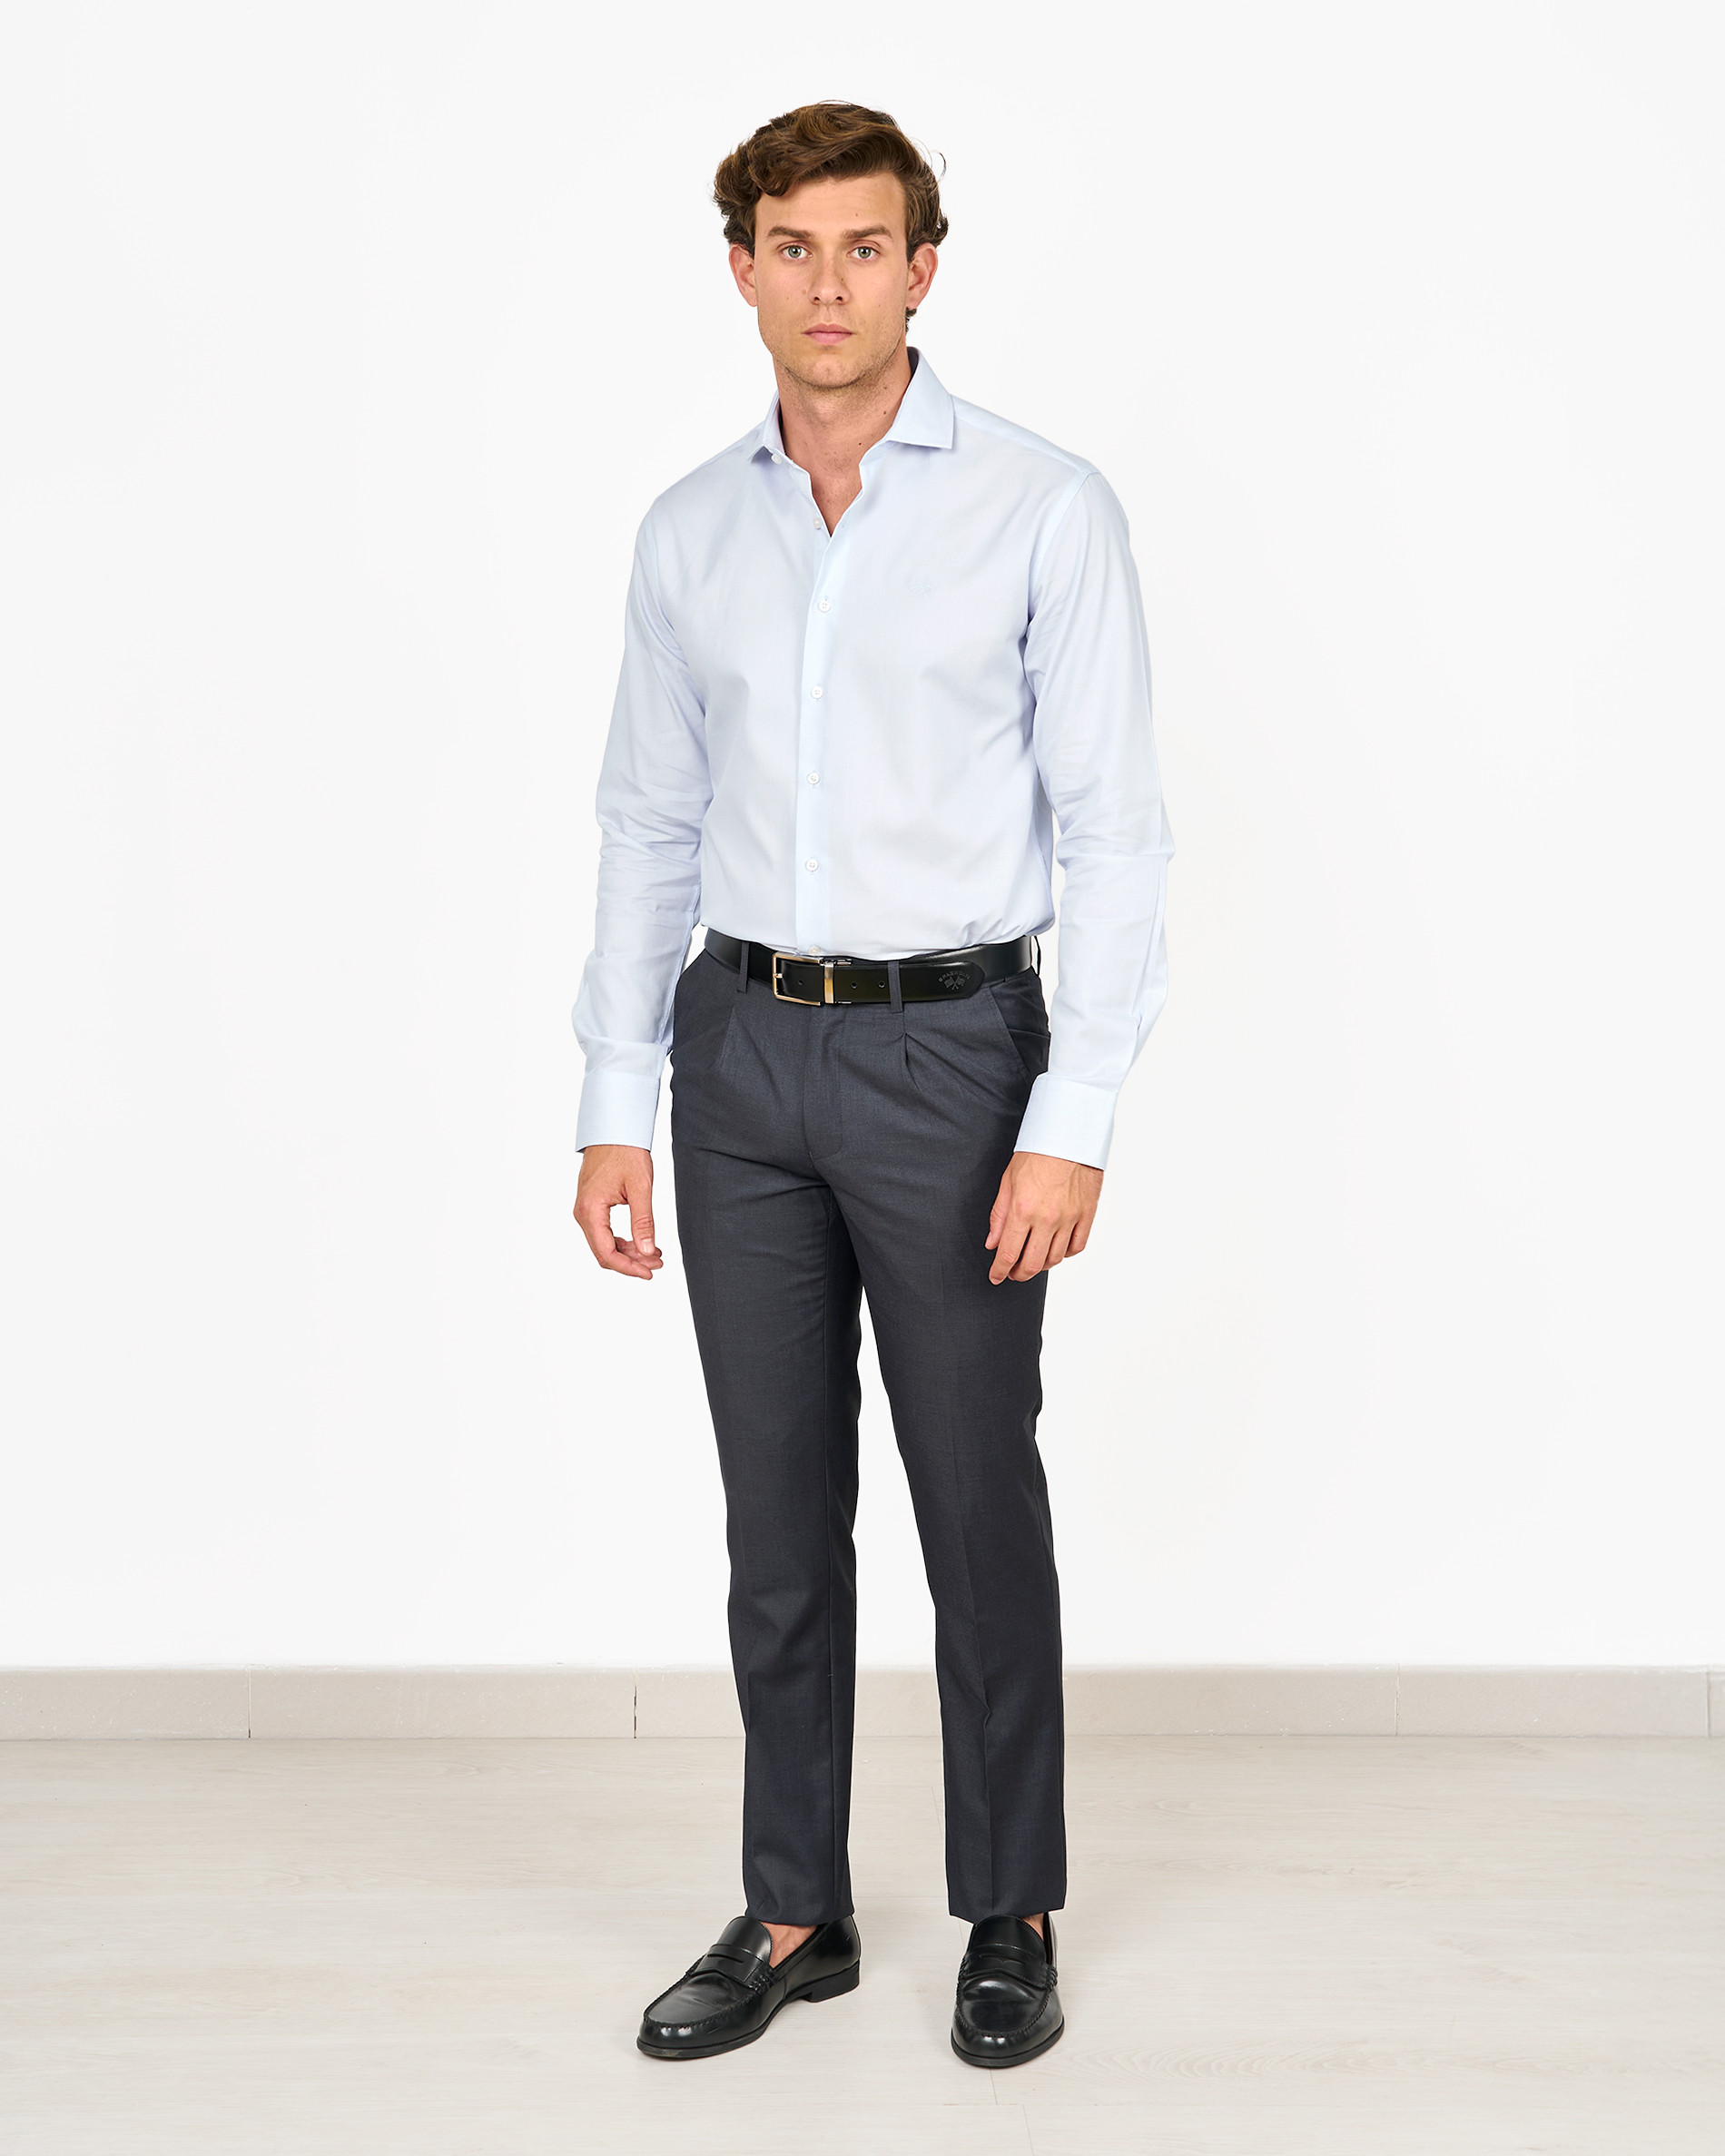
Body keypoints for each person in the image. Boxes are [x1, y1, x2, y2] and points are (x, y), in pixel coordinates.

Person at [571, 100, 1171, 2068]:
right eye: (790, 246)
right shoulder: (689, 531)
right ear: (740, 267)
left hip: (951, 1053)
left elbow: (1114, 830)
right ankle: (793, 1908)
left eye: (862, 246)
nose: (826, 285)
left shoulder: (1040, 508)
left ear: (923, 267)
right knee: (775, 1514)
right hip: (737, 1049)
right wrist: (612, 1091)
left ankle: (1010, 1908)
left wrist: (1072, 1114)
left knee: (974, 1502)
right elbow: (647, 821)